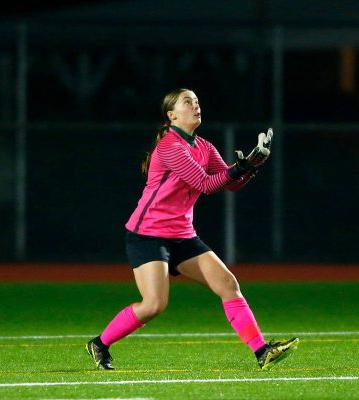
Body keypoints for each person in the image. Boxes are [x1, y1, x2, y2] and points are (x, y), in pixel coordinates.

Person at [86, 88, 299, 371]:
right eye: (188, 102)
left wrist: (251, 166)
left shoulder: (205, 147)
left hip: (183, 236)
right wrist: (242, 166)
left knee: (228, 285)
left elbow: (230, 183)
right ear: (171, 115)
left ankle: (262, 351)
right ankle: (100, 344)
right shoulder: (170, 147)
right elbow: (206, 184)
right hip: (148, 234)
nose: (196, 106)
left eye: (197, 101)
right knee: (153, 305)